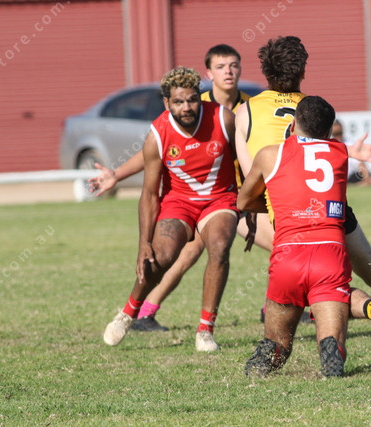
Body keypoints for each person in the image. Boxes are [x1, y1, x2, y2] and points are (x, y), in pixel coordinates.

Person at [235, 35, 371, 362]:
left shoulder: (244, 113)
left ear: (264, 71)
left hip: (290, 215)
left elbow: (251, 179)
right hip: (332, 209)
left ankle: (361, 314)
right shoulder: (313, 107)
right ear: (303, 72)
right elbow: (327, 153)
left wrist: (252, 215)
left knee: (304, 281)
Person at [90, 45, 272, 333]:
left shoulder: (247, 109)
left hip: (232, 196)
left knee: (255, 245)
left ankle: (268, 308)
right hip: (188, 199)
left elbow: (258, 151)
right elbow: (156, 154)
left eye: (233, 65)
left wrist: (253, 201)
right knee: (176, 254)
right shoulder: (189, 106)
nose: (228, 71)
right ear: (209, 74)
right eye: (221, 66)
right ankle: (142, 311)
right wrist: (118, 174)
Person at [239, 96, 371, 377]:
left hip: (289, 253)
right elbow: (332, 150)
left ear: (293, 124)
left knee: (276, 347)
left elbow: (243, 201)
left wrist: (281, 204)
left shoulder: (269, 154)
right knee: (333, 338)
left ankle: (269, 356)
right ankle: (339, 341)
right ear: (329, 131)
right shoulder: (339, 152)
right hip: (330, 253)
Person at [102, 67, 239, 352]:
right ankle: (128, 312)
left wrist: (253, 205)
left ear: (199, 97)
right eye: (179, 101)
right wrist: (143, 243)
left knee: (219, 246)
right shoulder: (158, 134)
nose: (187, 107)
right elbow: (149, 194)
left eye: (192, 100)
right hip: (179, 201)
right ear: (167, 103)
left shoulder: (224, 119)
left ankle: (205, 331)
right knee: (159, 258)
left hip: (219, 199)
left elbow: (247, 163)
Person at [332, 120, 371, 186]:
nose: (338, 137)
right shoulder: (329, 145)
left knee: (360, 174)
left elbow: (360, 163)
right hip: (335, 176)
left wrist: (367, 178)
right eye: (336, 134)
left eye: (340, 133)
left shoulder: (349, 143)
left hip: (351, 176)